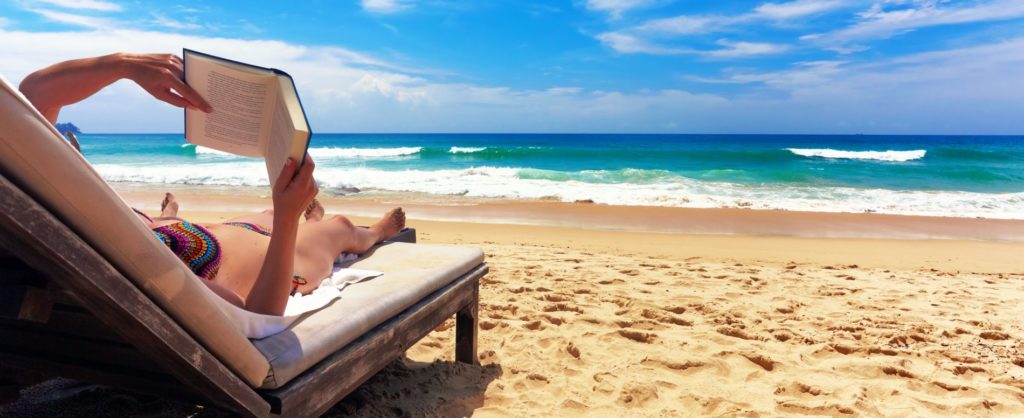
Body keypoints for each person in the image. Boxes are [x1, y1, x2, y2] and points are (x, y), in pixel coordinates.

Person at [19, 53, 405, 316]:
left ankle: (169, 217)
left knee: (267, 211)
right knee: (336, 227)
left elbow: (33, 94)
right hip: (278, 264)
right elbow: (257, 314)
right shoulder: (140, 272)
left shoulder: (66, 210)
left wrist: (127, 66)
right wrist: (288, 219)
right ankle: (372, 233)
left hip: (208, 234)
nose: (73, 155)